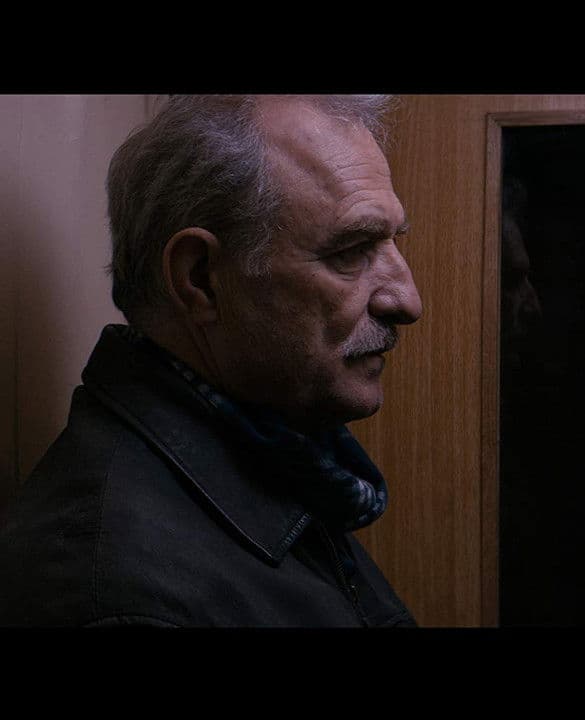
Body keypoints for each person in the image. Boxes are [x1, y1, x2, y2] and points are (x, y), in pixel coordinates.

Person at [0, 95, 423, 626]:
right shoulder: (121, 595)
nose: (407, 301)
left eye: (392, 242)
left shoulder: (284, 456)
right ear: (199, 278)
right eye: (350, 251)